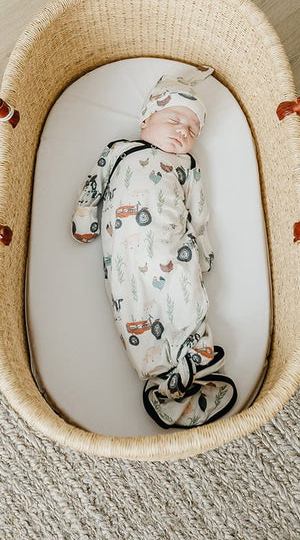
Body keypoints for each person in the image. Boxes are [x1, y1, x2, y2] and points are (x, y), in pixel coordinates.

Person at [71, 66, 236, 428]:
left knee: (185, 296)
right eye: (175, 119)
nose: (183, 131)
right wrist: (85, 218)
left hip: (176, 249)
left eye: (193, 129)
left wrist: (205, 252)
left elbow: (199, 212)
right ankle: (160, 374)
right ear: (146, 118)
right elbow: (94, 183)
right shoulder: (119, 150)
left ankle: (197, 358)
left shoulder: (186, 165)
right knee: (134, 310)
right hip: (126, 260)